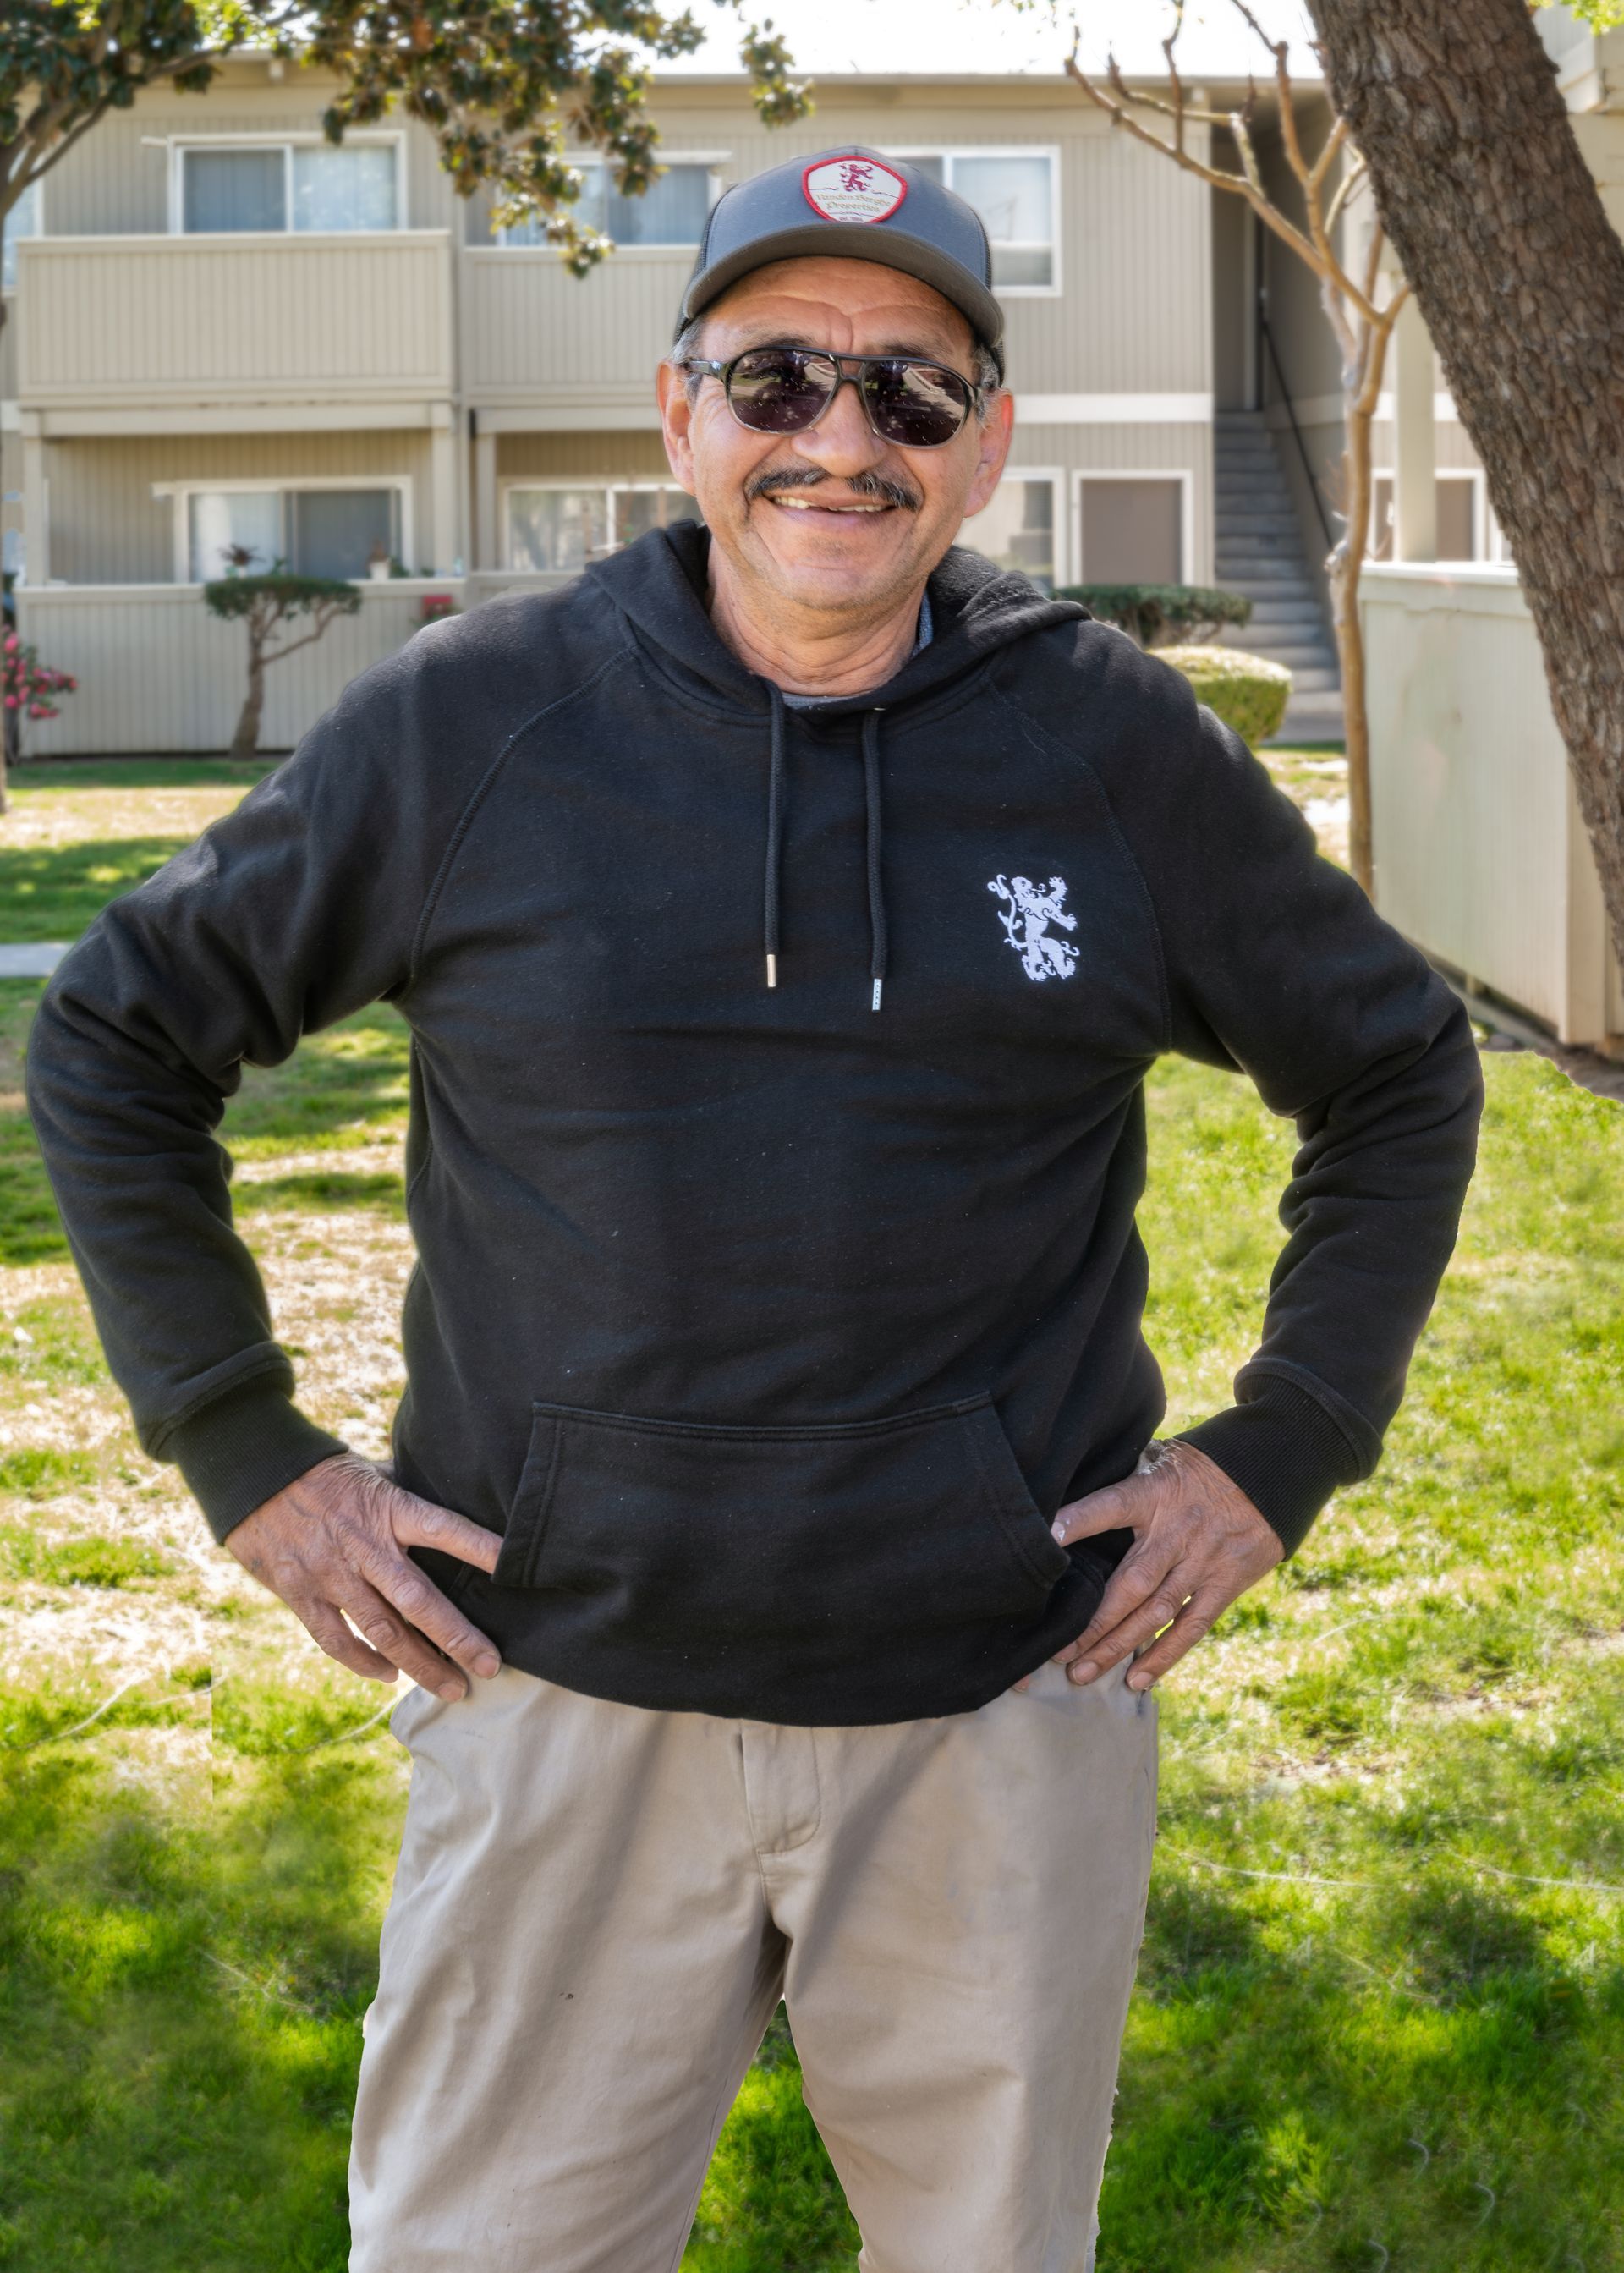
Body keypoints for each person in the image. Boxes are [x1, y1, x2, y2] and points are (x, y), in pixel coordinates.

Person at [26, 145, 1483, 2272]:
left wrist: (1282, 1452)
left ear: (987, 446)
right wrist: (248, 1453)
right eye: (778, 375)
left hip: (1000, 1705)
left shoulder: (1105, 740)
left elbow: (1396, 1066)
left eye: (910, 390)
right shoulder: (479, 722)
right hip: (557, 1688)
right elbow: (116, 1035)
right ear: (678, 410)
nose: (838, 438)